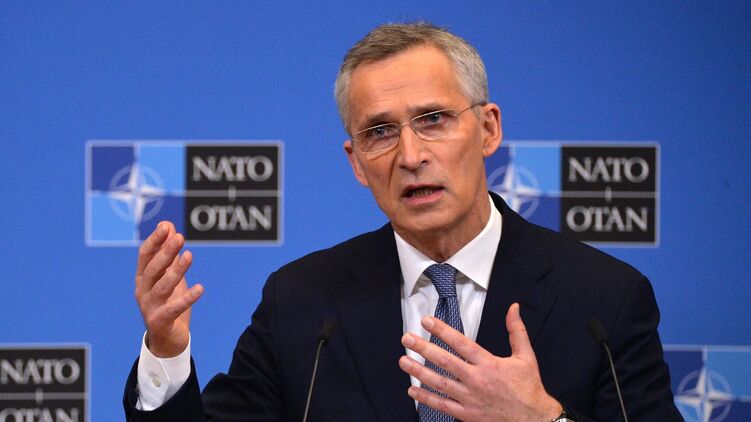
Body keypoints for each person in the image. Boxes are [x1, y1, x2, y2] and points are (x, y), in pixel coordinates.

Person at [123, 22, 682, 421]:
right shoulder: (302, 302)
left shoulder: (604, 299)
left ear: (488, 129)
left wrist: (541, 421)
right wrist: (166, 352)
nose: (410, 155)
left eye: (433, 119)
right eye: (380, 132)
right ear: (357, 163)